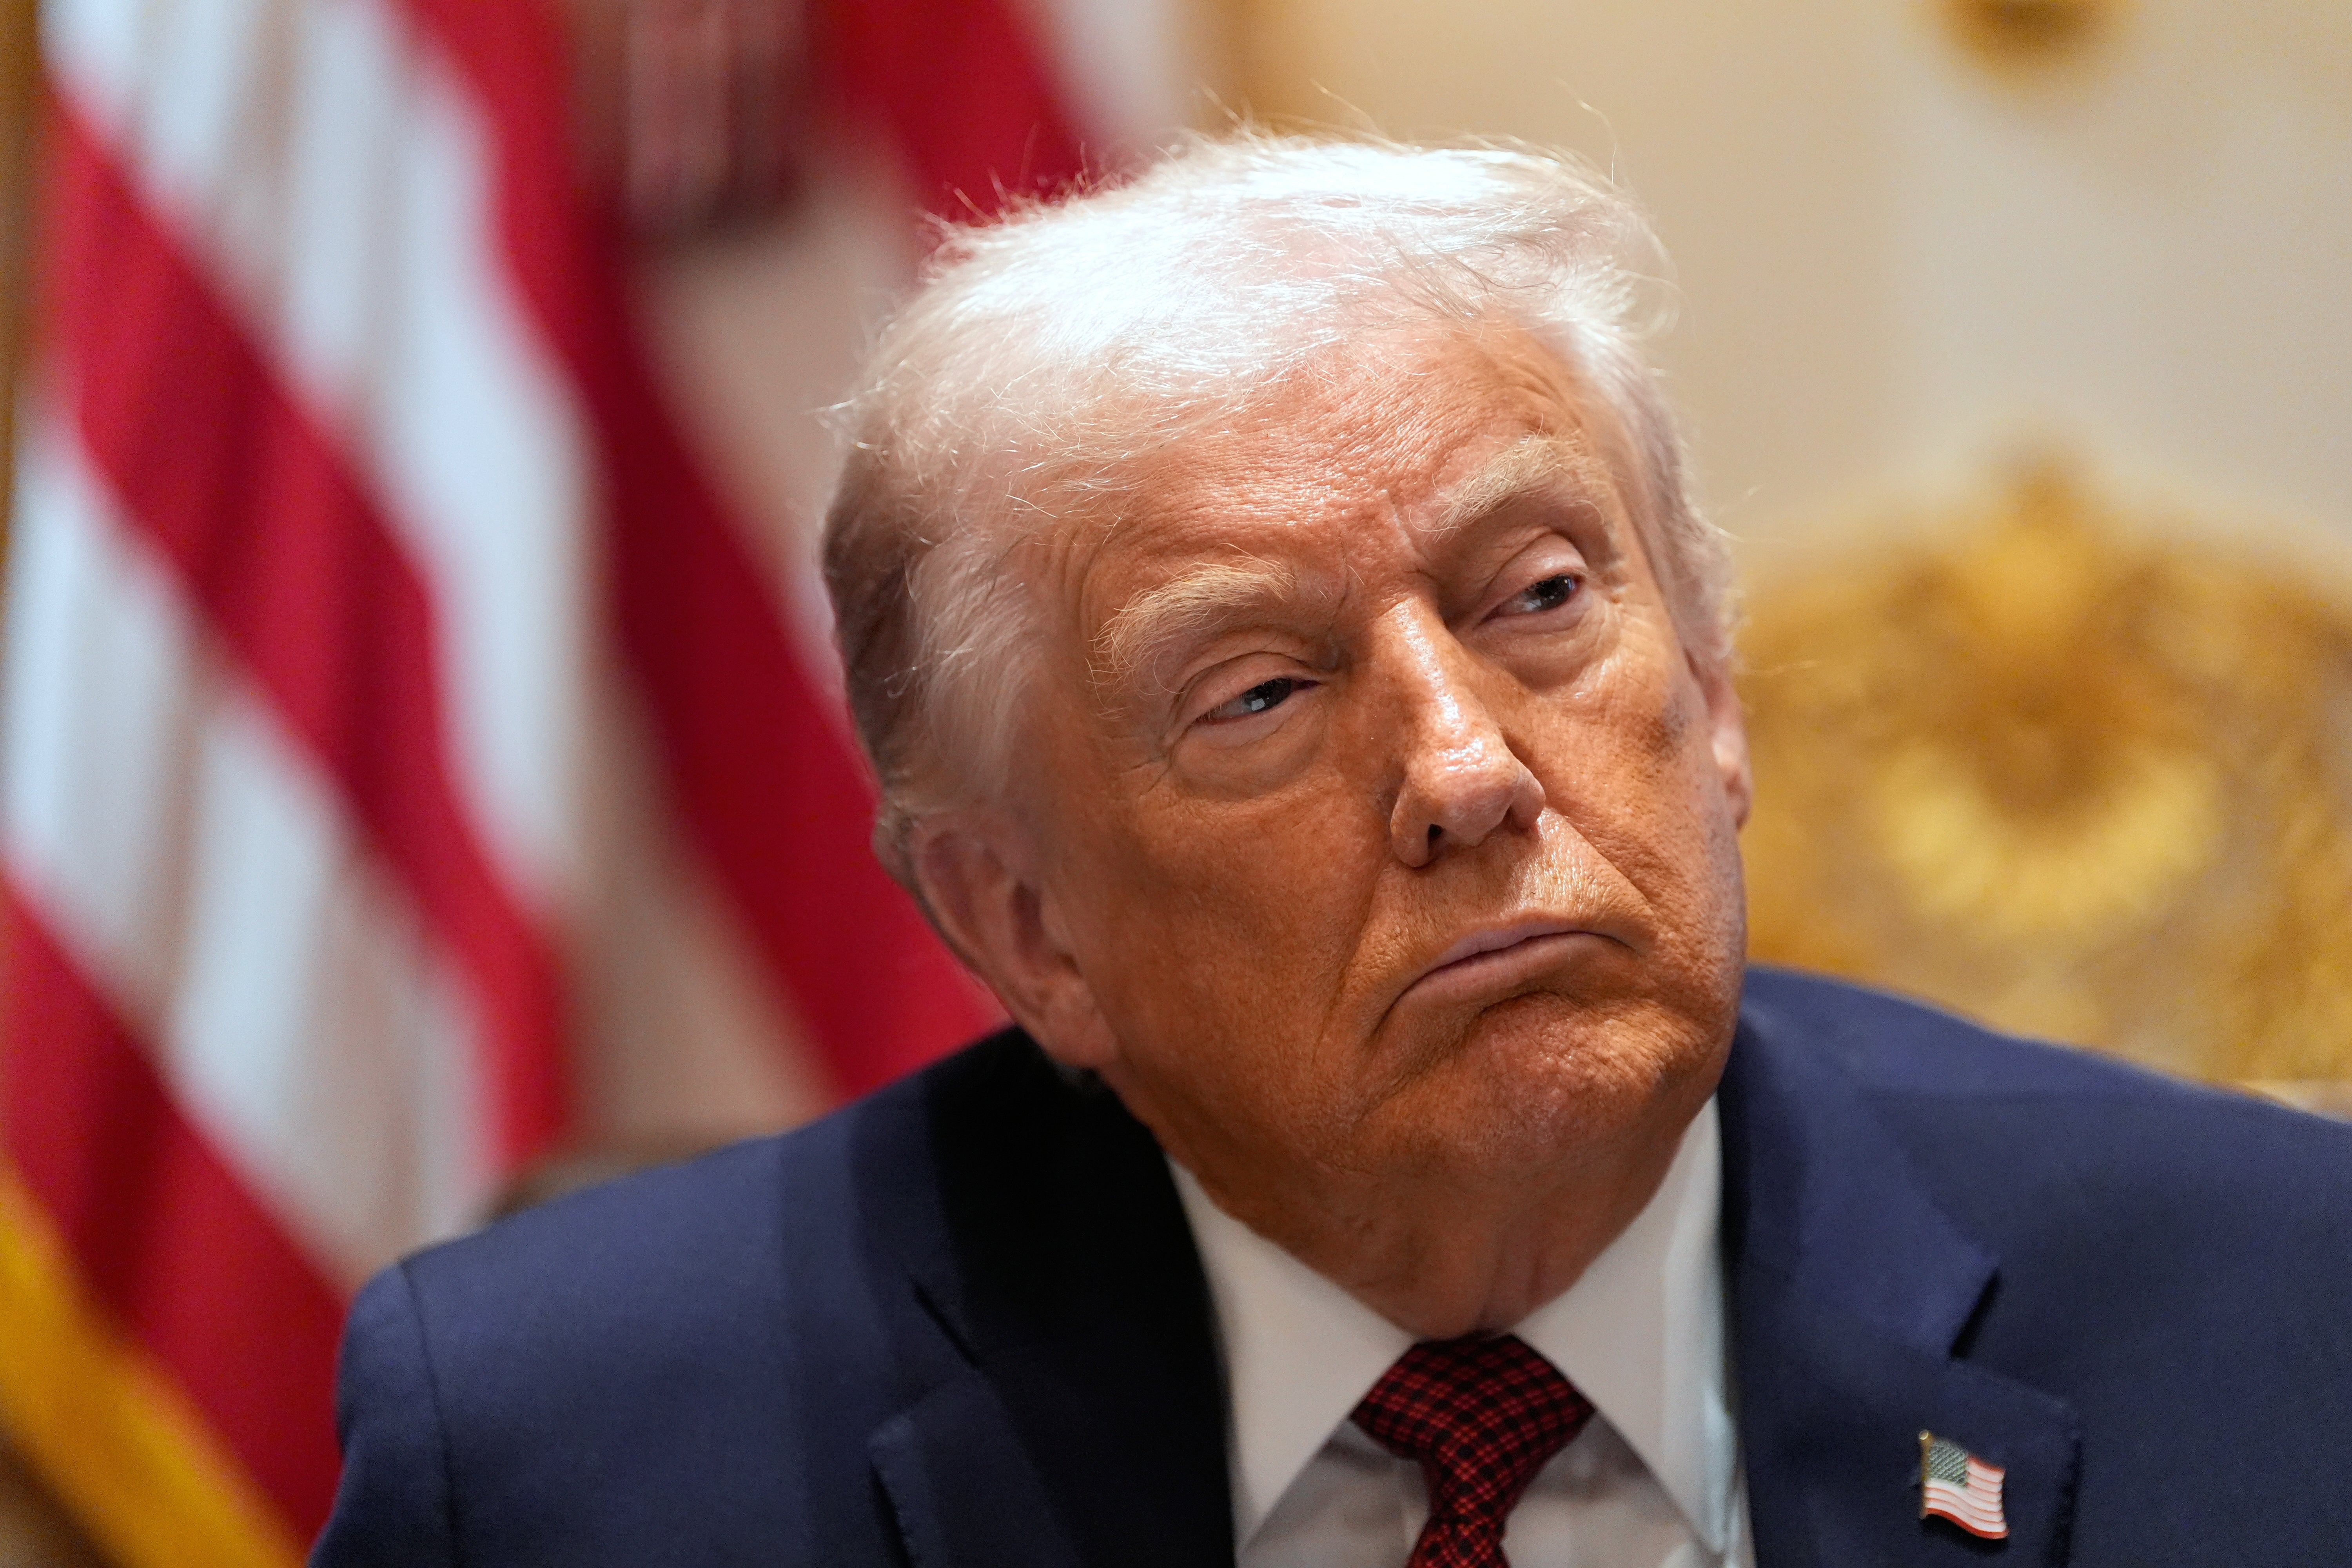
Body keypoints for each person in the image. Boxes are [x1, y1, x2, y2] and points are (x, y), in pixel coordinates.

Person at [313, 137, 2352, 1567]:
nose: (1467, 770)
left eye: (1540, 596)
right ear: (1026, 924)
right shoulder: (565, 1457)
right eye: (1262, 693)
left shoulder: (2287, 1317)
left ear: (1714, 692)